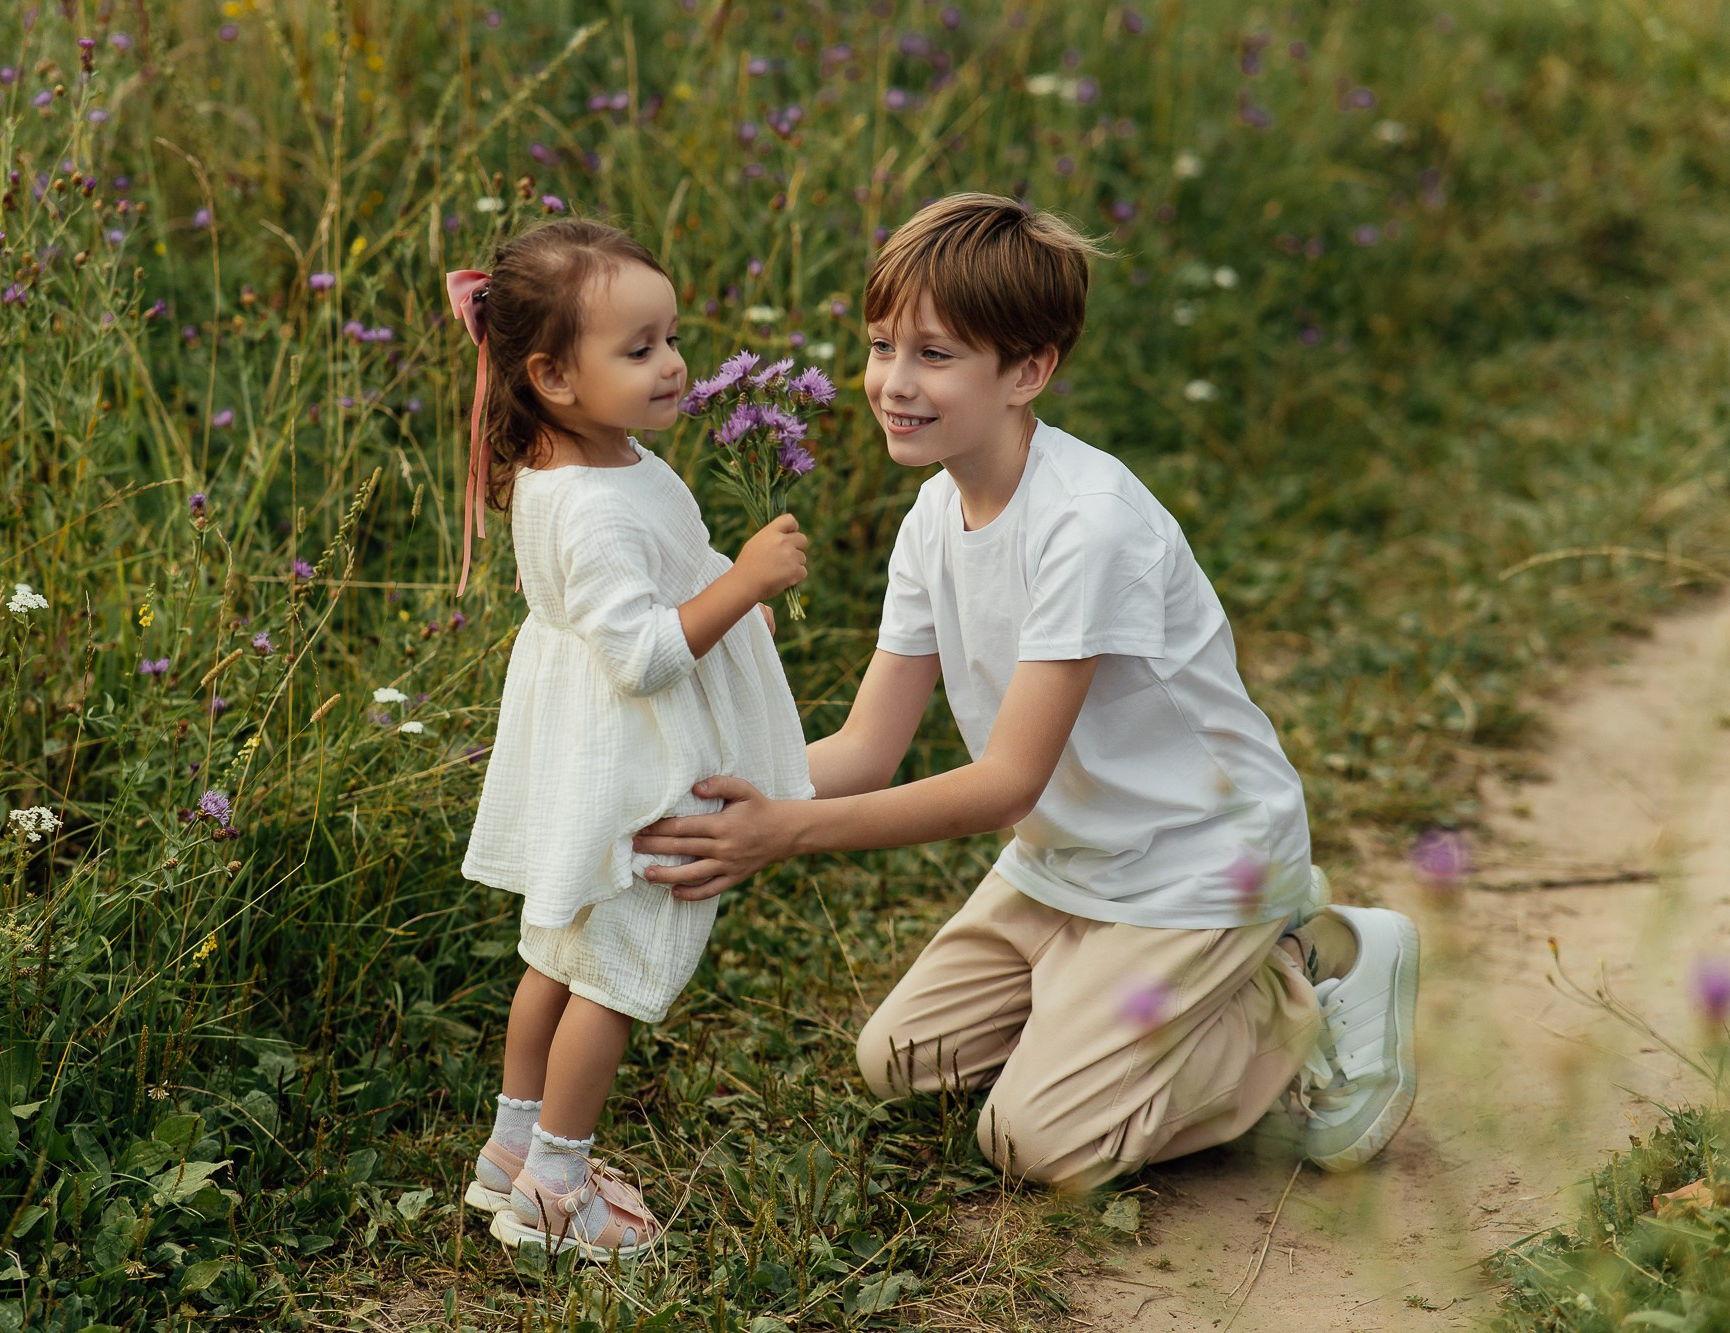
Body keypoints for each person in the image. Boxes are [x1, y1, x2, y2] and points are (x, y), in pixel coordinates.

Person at [631, 193, 1420, 1190]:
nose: (893, 383)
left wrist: (782, 832)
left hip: (1197, 863)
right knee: (901, 1063)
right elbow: (867, 746)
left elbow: (1003, 783)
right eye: (881, 346)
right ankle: (1109, 1004)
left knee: (1036, 1144)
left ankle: (1301, 985)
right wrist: (691, 788)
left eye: (935, 354)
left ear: (1028, 370)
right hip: (1071, 860)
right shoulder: (932, 515)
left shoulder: (1085, 524)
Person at [448, 218, 814, 1260]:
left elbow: (662, 585)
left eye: (670, 337)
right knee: (608, 970)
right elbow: (641, 654)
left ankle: (508, 1152)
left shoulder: (600, 466)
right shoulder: (593, 508)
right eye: (639, 347)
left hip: (583, 753)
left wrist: (720, 599)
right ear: (553, 376)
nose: (673, 365)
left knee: (555, 952)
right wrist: (741, 581)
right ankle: (557, 1190)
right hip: (633, 764)